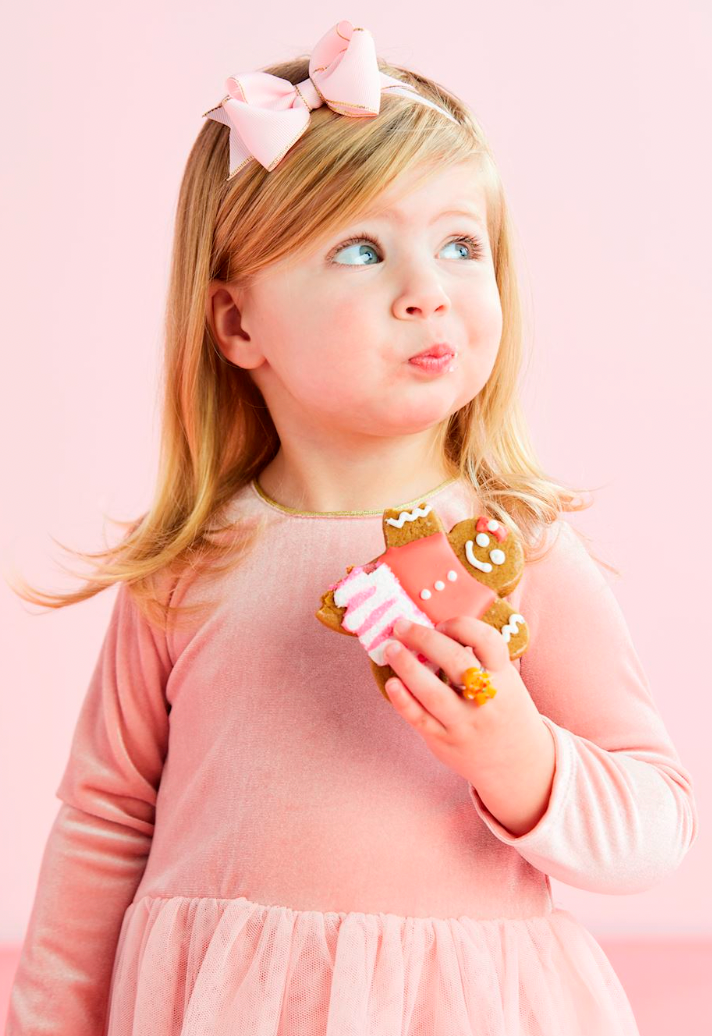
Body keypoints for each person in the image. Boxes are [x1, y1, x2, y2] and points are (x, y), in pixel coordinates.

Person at [4, 19, 699, 1036]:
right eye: (362, 249)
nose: (427, 293)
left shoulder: (521, 555)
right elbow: (105, 821)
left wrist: (515, 754)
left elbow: (656, 822)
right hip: (220, 1006)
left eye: (461, 244)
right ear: (237, 324)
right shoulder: (191, 568)